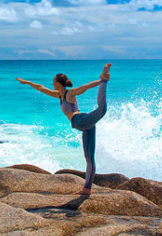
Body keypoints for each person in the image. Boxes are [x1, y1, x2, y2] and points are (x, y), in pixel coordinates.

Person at [16, 63, 111, 195]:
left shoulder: (70, 93)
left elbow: (85, 87)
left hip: (81, 121)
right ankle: (87, 189)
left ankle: (104, 80)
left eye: (54, 81)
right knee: (89, 158)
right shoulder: (59, 95)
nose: (52, 83)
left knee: (102, 110)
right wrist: (27, 82)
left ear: (59, 83)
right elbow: (40, 88)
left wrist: (101, 80)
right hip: (84, 127)